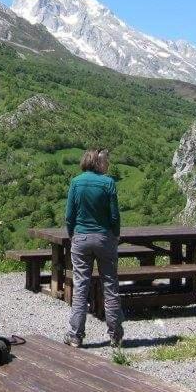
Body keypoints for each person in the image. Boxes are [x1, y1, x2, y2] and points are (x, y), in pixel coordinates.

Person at [63, 148, 123, 349]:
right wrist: (114, 235)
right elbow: (114, 216)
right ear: (97, 163)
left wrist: (73, 234)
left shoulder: (75, 182)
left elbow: (69, 216)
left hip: (81, 238)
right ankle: (115, 336)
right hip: (105, 239)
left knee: (80, 286)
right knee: (110, 285)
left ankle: (75, 336)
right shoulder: (108, 183)